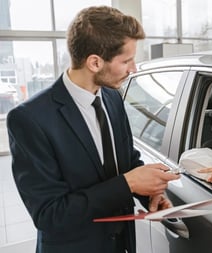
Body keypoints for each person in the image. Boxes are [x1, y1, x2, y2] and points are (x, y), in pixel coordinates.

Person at [6, 6, 180, 253]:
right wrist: (128, 184)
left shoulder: (112, 97)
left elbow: (126, 161)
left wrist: (148, 193)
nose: (134, 69)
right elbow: (49, 215)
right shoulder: (30, 119)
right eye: (126, 60)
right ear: (95, 62)